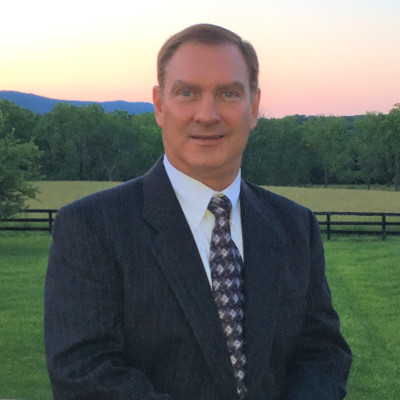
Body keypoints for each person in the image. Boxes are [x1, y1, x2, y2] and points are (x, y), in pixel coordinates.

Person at [44, 23, 352, 399]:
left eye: (228, 93)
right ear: (159, 105)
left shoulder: (295, 226)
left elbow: (322, 355)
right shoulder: (92, 227)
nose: (207, 114)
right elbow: (84, 373)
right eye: (187, 93)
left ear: (254, 106)